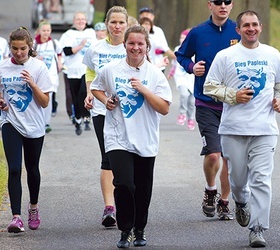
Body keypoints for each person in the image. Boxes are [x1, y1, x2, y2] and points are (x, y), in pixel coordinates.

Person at [204, 10, 280, 247]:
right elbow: (209, 87)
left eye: (255, 24)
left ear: (261, 27)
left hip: (265, 129)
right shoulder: (226, 56)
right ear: (238, 29)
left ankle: (257, 228)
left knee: (262, 180)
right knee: (238, 180)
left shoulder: (273, 55)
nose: (251, 29)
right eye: (246, 25)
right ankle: (241, 201)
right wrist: (233, 95)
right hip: (233, 129)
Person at [90, 25, 172, 248]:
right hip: (118, 137)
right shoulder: (111, 70)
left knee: (143, 187)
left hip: (145, 139)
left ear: (147, 47)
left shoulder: (155, 75)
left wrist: (144, 90)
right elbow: (97, 88)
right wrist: (105, 101)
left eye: (140, 44)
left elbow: (164, 108)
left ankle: (140, 228)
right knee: (124, 183)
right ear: (125, 44)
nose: (135, 48)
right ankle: (125, 230)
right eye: (132, 43)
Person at [175, 0, 241, 220]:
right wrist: (192, 67)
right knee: (213, 155)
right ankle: (210, 190)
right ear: (209, 5)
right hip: (206, 102)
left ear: (232, 5)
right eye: (218, 1)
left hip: (233, 104)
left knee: (229, 157)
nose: (223, 5)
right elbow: (181, 55)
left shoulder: (239, 30)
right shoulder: (198, 32)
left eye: (227, 1)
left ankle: (224, 201)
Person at [0, 26, 53, 233]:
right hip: (11, 122)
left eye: (23, 49)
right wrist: (1, 102)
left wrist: (33, 85)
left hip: (34, 125)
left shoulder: (38, 68)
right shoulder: (1, 68)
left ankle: (33, 207)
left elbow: (44, 102)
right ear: (10, 47)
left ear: (30, 47)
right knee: (15, 168)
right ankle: (16, 217)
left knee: (32, 169)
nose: (18, 53)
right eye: (15, 49)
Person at [83, 5, 128, 228]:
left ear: (127, 24)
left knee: (128, 157)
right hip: (102, 109)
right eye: (113, 22)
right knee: (108, 156)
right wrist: (90, 92)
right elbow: (90, 72)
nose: (117, 26)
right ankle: (110, 208)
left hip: (129, 111)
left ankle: (127, 202)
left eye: (121, 22)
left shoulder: (133, 47)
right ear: (107, 24)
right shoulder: (95, 48)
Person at [59, 11, 96, 135]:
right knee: (75, 96)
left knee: (83, 92)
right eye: (78, 19)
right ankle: (78, 118)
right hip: (73, 69)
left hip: (87, 69)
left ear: (86, 21)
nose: (81, 22)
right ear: (74, 21)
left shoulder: (91, 33)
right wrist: (81, 45)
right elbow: (67, 51)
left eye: (83, 19)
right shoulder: (68, 34)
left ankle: (86, 115)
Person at [34, 19, 63, 133]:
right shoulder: (34, 44)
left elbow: (59, 53)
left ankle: (46, 122)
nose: (46, 33)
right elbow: (28, 58)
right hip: (37, 77)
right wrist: (37, 58)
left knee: (48, 98)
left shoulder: (54, 43)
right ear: (39, 31)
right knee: (37, 98)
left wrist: (60, 62)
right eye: (44, 30)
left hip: (51, 76)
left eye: (48, 30)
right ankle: (37, 121)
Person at [167, 28, 196, 130]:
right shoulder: (177, 49)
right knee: (184, 94)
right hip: (181, 77)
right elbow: (175, 63)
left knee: (192, 101)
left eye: (184, 38)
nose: (182, 40)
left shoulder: (195, 49)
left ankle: (190, 118)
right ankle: (182, 114)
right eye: (181, 38)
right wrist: (171, 73)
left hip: (192, 78)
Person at [138, 6, 175, 71]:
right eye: (142, 15)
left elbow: (165, 48)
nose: (145, 17)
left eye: (147, 15)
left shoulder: (158, 31)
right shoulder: (135, 30)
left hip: (158, 66)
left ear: (152, 17)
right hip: (141, 66)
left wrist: (177, 57)